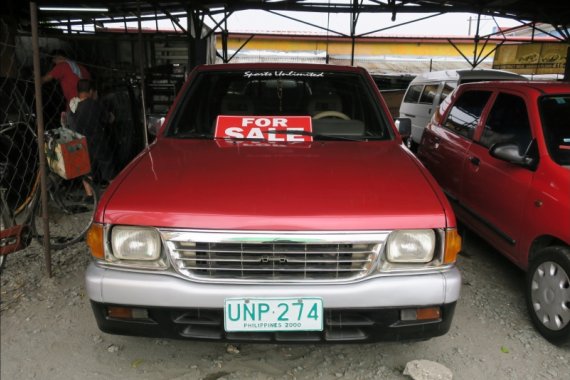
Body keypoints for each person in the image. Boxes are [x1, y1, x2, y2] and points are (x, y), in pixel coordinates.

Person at [68, 79, 117, 185]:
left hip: (80, 143)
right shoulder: (94, 104)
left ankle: (90, 195)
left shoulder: (72, 106)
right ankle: (113, 193)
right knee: (108, 167)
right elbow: (108, 119)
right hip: (97, 141)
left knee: (86, 171)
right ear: (91, 91)